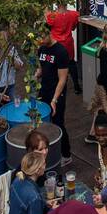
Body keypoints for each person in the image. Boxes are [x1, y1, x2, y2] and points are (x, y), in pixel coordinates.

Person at [38, 27, 73, 165]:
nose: (40, 41)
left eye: (42, 37)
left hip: (57, 93)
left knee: (58, 123)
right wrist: (35, 75)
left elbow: (63, 79)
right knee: (43, 122)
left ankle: (66, 154)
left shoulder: (61, 51)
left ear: (49, 33)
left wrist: (54, 99)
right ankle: (48, 151)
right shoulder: (41, 49)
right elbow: (41, 68)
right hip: (44, 90)